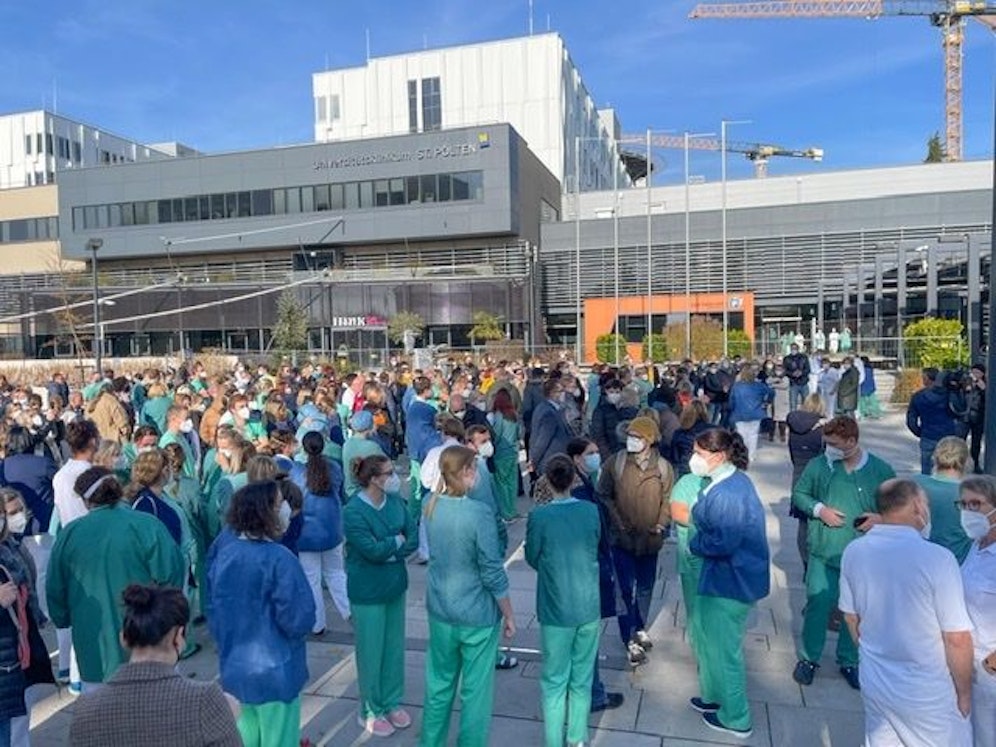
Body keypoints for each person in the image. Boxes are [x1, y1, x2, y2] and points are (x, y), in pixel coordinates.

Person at [839, 478, 974, 747]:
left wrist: (872, 654)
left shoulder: (855, 550)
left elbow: (851, 617)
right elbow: (957, 637)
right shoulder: (938, 559)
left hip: (876, 679)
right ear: (917, 506)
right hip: (927, 690)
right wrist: (964, 692)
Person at [46, 468, 185, 692]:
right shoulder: (147, 525)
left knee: (105, 721)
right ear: (119, 490)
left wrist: (63, 619)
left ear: (85, 500)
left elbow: (55, 591)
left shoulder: (69, 534)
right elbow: (172, 576)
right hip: (149, 640)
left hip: (95, 647)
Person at [208, 480, 315, 747]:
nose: (286, 509)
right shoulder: (280, 558)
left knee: (245, 737)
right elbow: (299, 619)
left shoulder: (226, 554)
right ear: (265, 512)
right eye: (280, 505)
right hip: (276, 672)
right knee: (279, 738)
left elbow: (213, 609)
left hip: (236, 669)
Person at [420, 446, 516, 747]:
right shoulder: (479, 513)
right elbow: (491, 570)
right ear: (464, 472)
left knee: (439, 685)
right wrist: (509, 613)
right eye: (474, 468)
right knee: (476, 692)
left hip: (440, 607)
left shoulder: (430, 503)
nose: (477, 473)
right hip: (476, 613)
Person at [791, 416, 895, 690]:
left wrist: (880, 518)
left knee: (856, 609)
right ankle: (808, 659)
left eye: (835, 444)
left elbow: (897, 508)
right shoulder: (819, 466)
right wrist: (819, 510)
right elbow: (799, 494)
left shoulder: (881, 470)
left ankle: (849, 660)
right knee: (818, 604)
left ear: (852, 441)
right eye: (828, 444)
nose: (830, 449)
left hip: (864, 554)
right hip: (824, 550)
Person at [68, 584, 242, 747]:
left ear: (124, 638)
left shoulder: (85, 708)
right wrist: (226, 718)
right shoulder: (206, 702)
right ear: (179, 637)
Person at [688, 428, 770, 739]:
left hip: (730, 582)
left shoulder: (729, 493)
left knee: (725, 651)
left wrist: (695, 544)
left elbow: (723, 542)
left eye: (700, 453)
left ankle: (737, 717)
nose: (694, 459)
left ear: (719, 456)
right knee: (709, 642)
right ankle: (713, 696)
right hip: (723, 578)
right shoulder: (728, 482)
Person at [526, 454, 601, 747]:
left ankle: (554, 741)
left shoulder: (540, 516)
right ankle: (577, 738)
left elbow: (532, 555)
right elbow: (595, 546)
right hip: (587, 604)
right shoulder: (590, 511)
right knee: (581, 679)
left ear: (547, 479)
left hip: (556, 607)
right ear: (573, 479)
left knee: (555, 681)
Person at [343, 454, 417, 738]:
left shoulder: (396, 502)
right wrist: (393, 543)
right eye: (388, 473)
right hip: (368, 591)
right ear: (374, 478)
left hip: (395, 585)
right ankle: (369, 709)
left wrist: (390, 547)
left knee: (393, 648)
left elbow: (410, 535)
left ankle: (391, 700)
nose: (394, 476)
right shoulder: (353, 511)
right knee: (371, 651)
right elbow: (369, 550)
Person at [596, 416, 673, 667]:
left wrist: (661, 524)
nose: (631, 440)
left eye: (637, 436)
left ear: (649, 440)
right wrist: (616, 519)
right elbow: (603, 494)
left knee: (645, 587)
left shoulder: (663, 467)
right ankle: (627, 636)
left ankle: (639, 624)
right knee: (623, 590)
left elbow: (668, 499)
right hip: (621, 539)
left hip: (650, 540)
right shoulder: (615, 463)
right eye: (630, 435)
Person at [292, 431, 350, 635]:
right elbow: (342, 495)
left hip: (307, 533)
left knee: (312, 578)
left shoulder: (297, 472)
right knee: (336, 574)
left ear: (303, 447)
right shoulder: (334, 467)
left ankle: (317, 624)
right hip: (332, 528)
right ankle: (350, 612)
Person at [957, 475, 996, 746]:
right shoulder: (977, 544)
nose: (969, 512)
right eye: (963, 504)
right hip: (964, 658)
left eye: (976, 504)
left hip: (989, 666)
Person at [913, 436, 973, 564]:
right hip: (957, 564)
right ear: (966, 461)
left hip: (920, 561)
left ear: (935, 457)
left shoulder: (915, 484)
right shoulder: (972, 495)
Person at [786, 394, 827, 571]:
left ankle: (805, 564)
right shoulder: (822, 429)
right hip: (817, 476)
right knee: (817, 522)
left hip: (799, 473)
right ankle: (817, 562)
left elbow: (792, 454)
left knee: (802, 524)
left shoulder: (794, 426)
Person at [906, 367, 961, 475]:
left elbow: (911, 420)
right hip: (948, 435)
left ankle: (927, 489)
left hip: (928, 435)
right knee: (949, 467)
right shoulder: (949, 394)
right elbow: (959, 411)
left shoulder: (918, 396)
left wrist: (919, 432)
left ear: (927, 379)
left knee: (926, 468)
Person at [727, 365, 773, 465]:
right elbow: (771, 392)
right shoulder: (758, 385)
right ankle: (751, 455)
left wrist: (731, 408)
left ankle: (743, 455)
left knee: (742, 435)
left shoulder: (737, 386)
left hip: (740, 413)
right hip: (755, 413)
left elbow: (731, 400)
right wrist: (767, 402)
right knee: (753, 435)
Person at [487, 388, 521, 521]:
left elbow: (497, 434)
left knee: (502, 484)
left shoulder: (498, 416)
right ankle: (513, 510)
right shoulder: (514, 415)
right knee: (512, 483)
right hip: (513, 452)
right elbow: (519, 433)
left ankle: (506, 513)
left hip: (501, 453)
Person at [528, 378, 573, 476]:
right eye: (561, 391)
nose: (563, 394)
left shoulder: (547, 408)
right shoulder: (549, 413)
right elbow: (542, 440)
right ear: (552, 393)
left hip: (554, 460)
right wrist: (534, 461)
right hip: (552, 462)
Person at [341, 410, 387, 500]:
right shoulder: (372, 447)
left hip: (349, 492)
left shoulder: (347, 444)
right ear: (370, 426)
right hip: (367, 493)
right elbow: (387, 467)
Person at [590, 379, 624, 460]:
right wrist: (606, 455)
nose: (614, 395)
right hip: (608, 452)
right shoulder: (600, 410)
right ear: (606, 391)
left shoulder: (623, 408)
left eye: (617, 392)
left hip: (621, 451)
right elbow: (598, 435)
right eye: (611, 392)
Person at [964, 364, 986, 473]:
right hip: (965, 416)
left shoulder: (985, 384)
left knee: (976, 443)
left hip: (978, 417)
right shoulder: (966, 382)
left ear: (982, 374)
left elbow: (989, 399)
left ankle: (975, 464)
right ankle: (960, 463)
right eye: (973, 372)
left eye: (978, 373)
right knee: (960, 440)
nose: (975, 375)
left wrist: (984, 389)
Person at [783, 343, 811, 412]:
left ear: (798, 349)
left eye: (795, 348)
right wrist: (792, 374)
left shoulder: (804, 357)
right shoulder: (787, 358)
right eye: (792, 348)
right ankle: (793, 419)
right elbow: (785, 371)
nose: (794, 350)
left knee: (806, 404)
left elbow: (808, 369)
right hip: (793, 383)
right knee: (793, 404)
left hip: (804, 382)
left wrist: (801, 373)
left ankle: (806, 419)